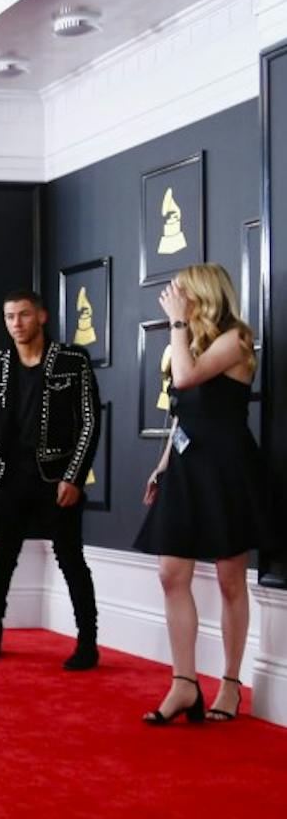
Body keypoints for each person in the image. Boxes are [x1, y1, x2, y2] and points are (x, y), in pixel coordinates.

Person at [135, 264, 269, 724]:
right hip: (187, 468)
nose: (174, 299)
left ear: (203, 294)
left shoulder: (236, 338)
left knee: (231, 578)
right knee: (171, 573)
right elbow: (181, 411)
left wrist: (175, 323)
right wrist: (163, 463)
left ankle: (229, 684)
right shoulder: (188, 341)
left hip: (226, 468)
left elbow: (188, 379)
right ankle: (184, 683)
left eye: (181, 293)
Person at [0, 291, 101, 670]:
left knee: (71, 559)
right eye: (10, 316)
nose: (16, 323)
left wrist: (74, 476)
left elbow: (90, 421)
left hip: (58, 477)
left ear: (41, 316)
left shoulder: (71, 360)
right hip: (12, 477)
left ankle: (88, 642)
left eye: (24, 315)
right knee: (1, 559)